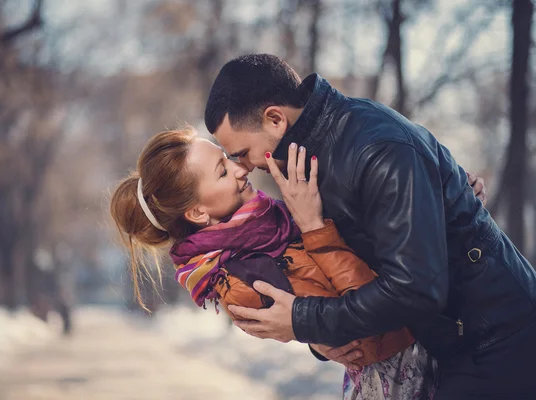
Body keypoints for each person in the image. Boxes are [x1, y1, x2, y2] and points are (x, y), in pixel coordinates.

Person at [203, 53, 536, 399]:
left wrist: (303, 321)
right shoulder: (306, 168)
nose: (245, 167)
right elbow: (347, 278)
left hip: (499, 342)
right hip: (448, 345)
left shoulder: (377, 148)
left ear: (275, 119)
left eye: (242, 153)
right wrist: (321, 340)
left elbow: (415, 289)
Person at [110, 128, 485, 399]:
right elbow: (366, 317)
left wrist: (438, 197)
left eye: (226, 158)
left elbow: (370, 242)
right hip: (402, 380)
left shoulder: (272, 219)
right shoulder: (238, 279)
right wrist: (313, 227)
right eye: (223, 172)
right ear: (196, 211)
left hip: (438, 348)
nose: (241, 169)